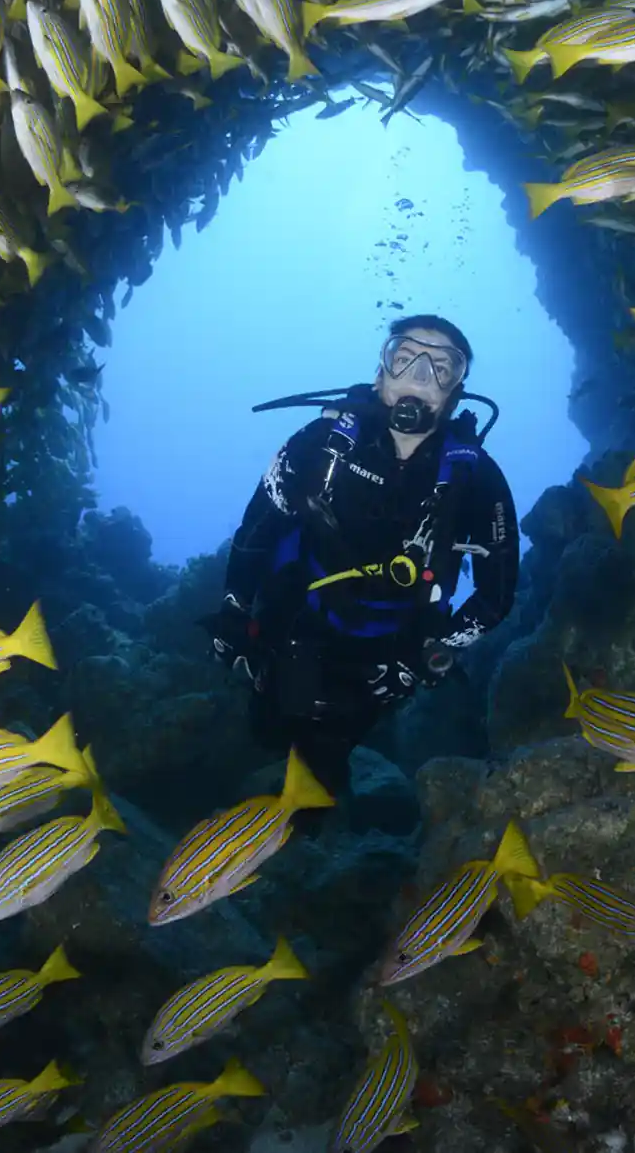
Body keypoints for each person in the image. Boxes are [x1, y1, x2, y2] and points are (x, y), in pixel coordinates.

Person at [204, 316, 520, 798]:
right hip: (296, 613)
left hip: (391, 649)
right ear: (380, 374)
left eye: (443, 367)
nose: (419, 375)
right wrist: (234, 605)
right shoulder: (317, 443)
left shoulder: (477, 480)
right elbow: (258, 527)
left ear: (454, 395)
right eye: (404, 356)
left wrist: (429, 651)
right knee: (263, 728)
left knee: (329, 758)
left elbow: (496, 594)